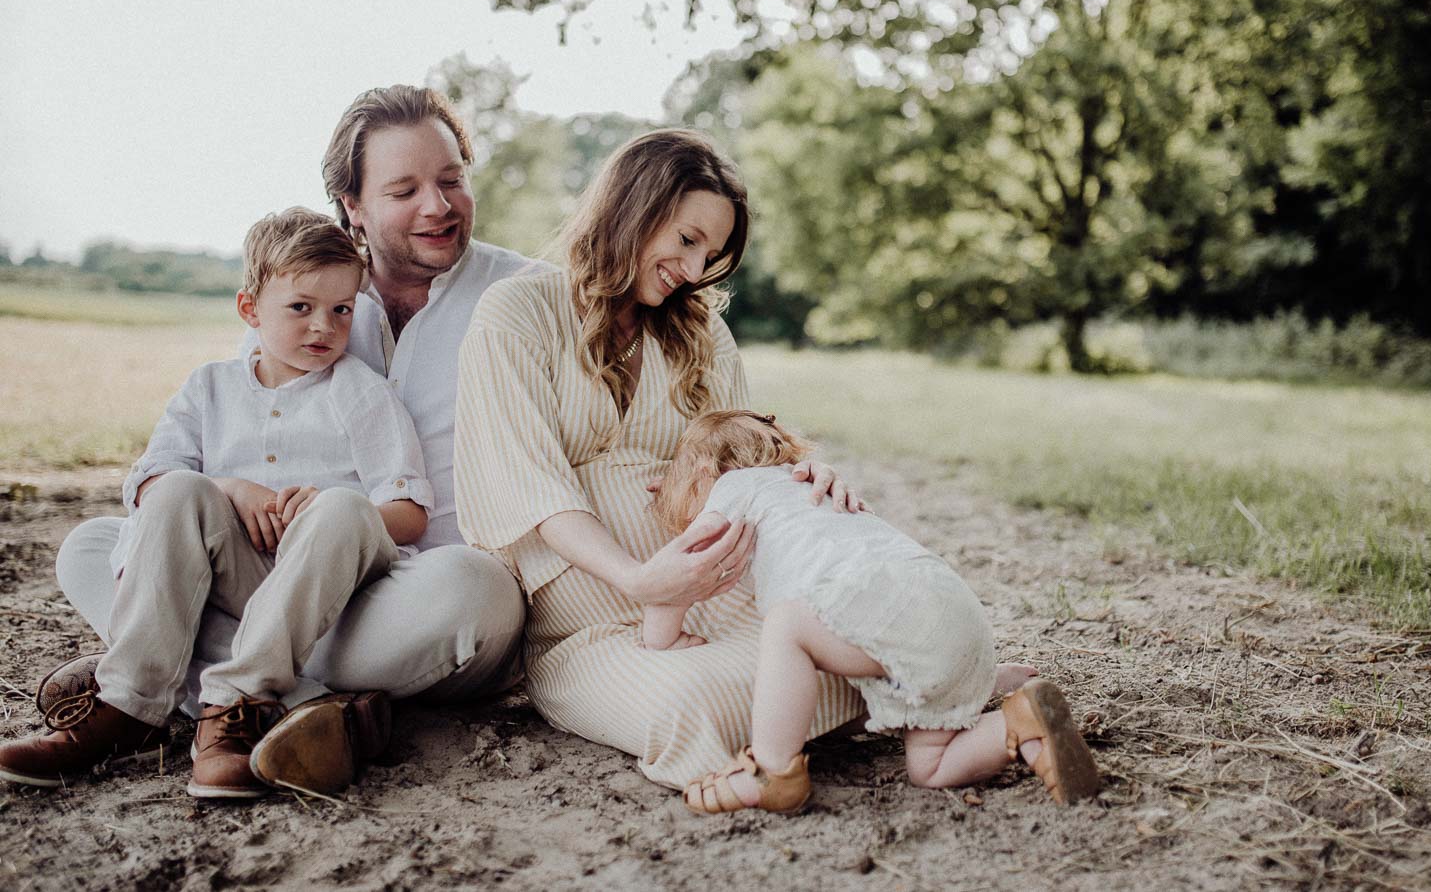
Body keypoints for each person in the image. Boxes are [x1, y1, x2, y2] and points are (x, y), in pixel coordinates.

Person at [49, 86, 534, 791]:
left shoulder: (525, 296)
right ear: (354, 205)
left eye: (453, 179)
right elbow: (185, 470)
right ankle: (309, 708)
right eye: (405, 189)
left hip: (401, 604)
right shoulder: (305, 304)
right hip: (264, 587)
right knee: (91, 546)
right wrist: (227, 491)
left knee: (480, 590)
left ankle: (179, 677)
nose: (439, 204)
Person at [454, 129, 869, 788]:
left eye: (713, 254)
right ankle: (823, 720)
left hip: (718, 594)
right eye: (687, 239)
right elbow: (530, 488)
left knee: (868, 634)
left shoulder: (704, 336)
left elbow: (744, 469)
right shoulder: (518, 313)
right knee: (686, 706)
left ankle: (981, 704)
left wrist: (796, 478)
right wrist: (640, 579)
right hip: (593, 627)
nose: (697, 270)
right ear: (631, 207)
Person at [0, 209, 431, 798]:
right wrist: (228, 487)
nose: (323, 327)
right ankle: (130, 705)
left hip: (326, 589)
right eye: (300, 307)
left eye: (341, 310)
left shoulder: (360, 393)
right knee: (179, 488)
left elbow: (408, 513)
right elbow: (148, 483)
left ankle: (237, 703)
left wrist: (325, 509)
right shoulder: (211, 386)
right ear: (250, 309)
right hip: (239, 577)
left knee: (341, 507)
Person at [645, 409, 1101, 814]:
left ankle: (771, 771)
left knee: (788, 624)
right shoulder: (808, 484)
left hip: (892, 617)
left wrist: (661, 626)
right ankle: (1017, 720)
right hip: (952, 610)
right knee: (930, 768)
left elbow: (683, 563)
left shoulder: (730, 486)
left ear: (704, 471)